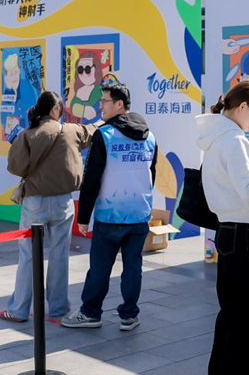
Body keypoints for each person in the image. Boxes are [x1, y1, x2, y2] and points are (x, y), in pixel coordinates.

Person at [197, 80, 249, 374]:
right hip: (245, 236)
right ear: (243, 107)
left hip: (227, 232)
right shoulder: (234, 140)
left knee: (231, 314)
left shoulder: (216, 137)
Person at [62, 83, 157, 332]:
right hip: (139, 214)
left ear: (119, 104)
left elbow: (91, 179)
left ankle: (90, 313)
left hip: (110, 215)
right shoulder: (150, 137)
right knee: (133, 268)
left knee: (101, 268)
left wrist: (83, 217)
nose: (100, 106)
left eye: (104, 101)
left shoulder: (104, 135)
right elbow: (152, 174)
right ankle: (129, 316)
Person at [0, 91, 98, 323]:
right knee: (60, 254)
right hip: (64, 202)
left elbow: (14, 167)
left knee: (28, 255)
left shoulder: (27, 135)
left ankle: (19, 310)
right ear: (55, 110)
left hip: (35, 202)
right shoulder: (71, 131)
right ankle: (58, 307)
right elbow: (93, 130)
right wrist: (108, 115)